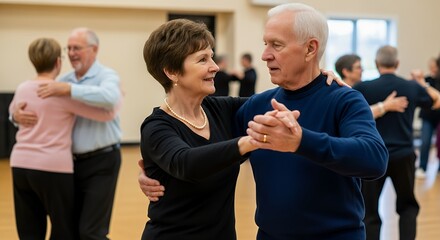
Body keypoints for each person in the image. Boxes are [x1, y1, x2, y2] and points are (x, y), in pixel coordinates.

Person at [140, 3, 389, 239]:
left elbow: (374, 159)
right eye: (265, 44)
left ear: (310, 49)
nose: (264, 55)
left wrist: (300, 141)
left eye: (276, 45)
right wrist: (154, 171)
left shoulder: (344, 100)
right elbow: (193, 155)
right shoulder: (256, 106)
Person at [140, 18, 260, 239]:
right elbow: (187, 163)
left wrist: (316, 78)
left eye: (212, 57)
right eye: (202, 59)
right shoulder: (156, 127)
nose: (214, 67)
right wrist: (247, 142)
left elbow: (275, 101)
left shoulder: (220, 109)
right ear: (172, 72)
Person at [12, 28, 122, 240]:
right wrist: (15, 116)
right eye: (68, 48)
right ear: (57, 61)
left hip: (101, 161)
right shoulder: (60, 83)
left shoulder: (101, 77)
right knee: (68, 228)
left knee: (89, 231)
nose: (71, 52)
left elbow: (110, 100)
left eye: (76, 48)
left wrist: (69, 90)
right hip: (66, 164)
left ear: (94, 49)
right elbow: (107, 113)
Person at [353, 45, 440, 240]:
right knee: (408, 207)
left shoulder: (363, 87)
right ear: (397, 63)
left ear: (376, 64)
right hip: (404, 156)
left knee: (370, 212)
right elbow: (437, 101)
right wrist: (421, 83)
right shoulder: (411, 87)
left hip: (373, 156)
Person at [335, 53, 408, 118]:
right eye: (358, 67)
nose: (362, 70)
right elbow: (356, 115)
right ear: (346, 72)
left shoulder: (359, 89)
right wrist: (385, 106)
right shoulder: (341, 93)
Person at [416, 56, 440, 178]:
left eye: (434, 66)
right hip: (428, 116)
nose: (432, 68)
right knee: (425, 142)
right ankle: (422, 167)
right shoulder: (426, 80)